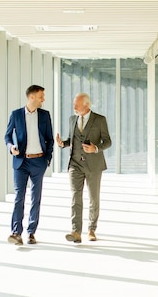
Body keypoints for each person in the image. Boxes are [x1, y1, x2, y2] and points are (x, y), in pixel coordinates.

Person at [55, 93, 112, 243]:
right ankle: (75, 231)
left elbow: (108, 141)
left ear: (86, 105)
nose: (74, 107)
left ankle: (92, 229)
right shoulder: (72, 119)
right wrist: (63, 144)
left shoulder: (100, 120)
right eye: (74, 104)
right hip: (75, 164)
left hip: (94, 165)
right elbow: (71, 140)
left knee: (93, 198)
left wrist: (96, 148)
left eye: (77, 105)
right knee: (76, 197)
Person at [4, 85, 54, 245]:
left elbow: (50, 139)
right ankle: (16, 232)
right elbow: (7, 137)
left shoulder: (45, 116)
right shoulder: (16, 115)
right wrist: (11, 148)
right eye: (41, 96)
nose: (43, 99)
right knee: (19, 197)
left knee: (35, 198)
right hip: (21, 162)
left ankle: (31, 232)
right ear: (32, 97)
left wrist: (47, 159)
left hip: (39, 161)